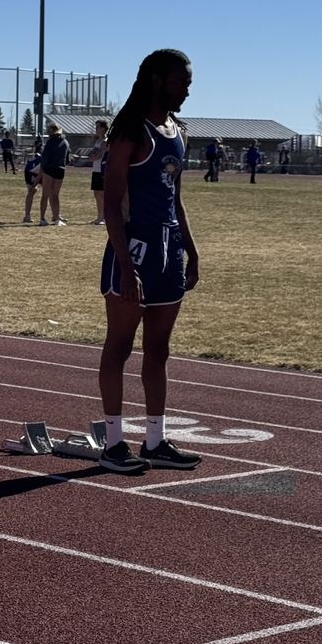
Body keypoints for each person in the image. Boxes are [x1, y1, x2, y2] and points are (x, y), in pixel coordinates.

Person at [97, 48, 201, 473]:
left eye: (190, 84)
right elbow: (112, 204)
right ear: (156, 80)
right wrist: (126, 264)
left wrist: (191, 251)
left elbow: (176, 198)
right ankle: (114, 443)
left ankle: (155, 442)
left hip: (169, 250)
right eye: (181, 83)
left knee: (159, 349)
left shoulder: (179, 132)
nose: (187, 91)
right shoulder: (129, 132)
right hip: (135, 249)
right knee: (119, 347)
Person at [38, 123, 70, 226]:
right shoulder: (65, 142)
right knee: (55, 195)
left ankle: (42, 218)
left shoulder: (50, 142)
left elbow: (45, 156)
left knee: (45, 195)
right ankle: (57, 218)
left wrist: (42, 168)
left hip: (49, 169)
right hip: (60, 169)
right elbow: (68, 157)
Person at [85, 120, 108, 224]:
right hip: (96, 170)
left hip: (102, 170)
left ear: (103, 128)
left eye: (98, 127)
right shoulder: (98, 141)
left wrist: (92, 157)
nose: (96, 129)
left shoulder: (105, 141)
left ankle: (103, 217)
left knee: (102, 194)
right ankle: (99, 217)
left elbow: (98, 155)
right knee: (96, 194)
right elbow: (92, 153)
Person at [22, 149, 42, 223]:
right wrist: (35, 184)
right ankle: (27, 216)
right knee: (32, 190)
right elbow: (41, 172)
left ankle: (55, 215)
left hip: (41, 172)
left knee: (50, 191)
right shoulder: (46, 159)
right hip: (31, 171)